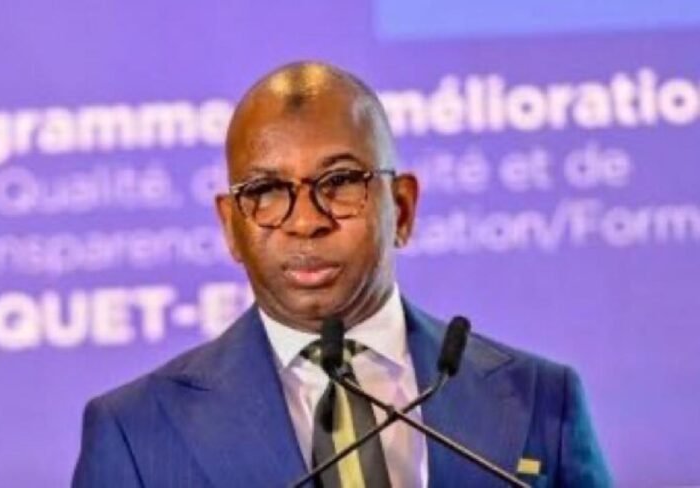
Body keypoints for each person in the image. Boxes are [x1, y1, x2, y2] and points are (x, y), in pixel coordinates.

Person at [72, 61, 611, 487]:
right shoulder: (137, 432)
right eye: (266, 191)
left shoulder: (541, 400)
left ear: (402, 209)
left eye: (341, 182)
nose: (306, 221)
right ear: (231, 227)